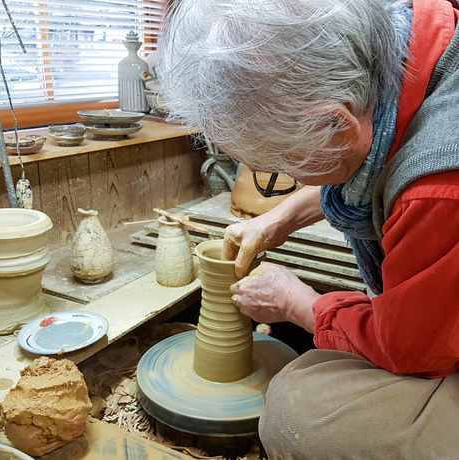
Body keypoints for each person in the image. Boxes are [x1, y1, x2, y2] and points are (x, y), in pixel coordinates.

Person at [158, 0, 459, 457]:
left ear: (335, 123)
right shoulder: (406, 44)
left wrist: (296, 302)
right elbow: (371, 163)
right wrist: (278, 217)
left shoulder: (437, 185)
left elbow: (414, 353)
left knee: (296, 412)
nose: (282, 174)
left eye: (279, 163)